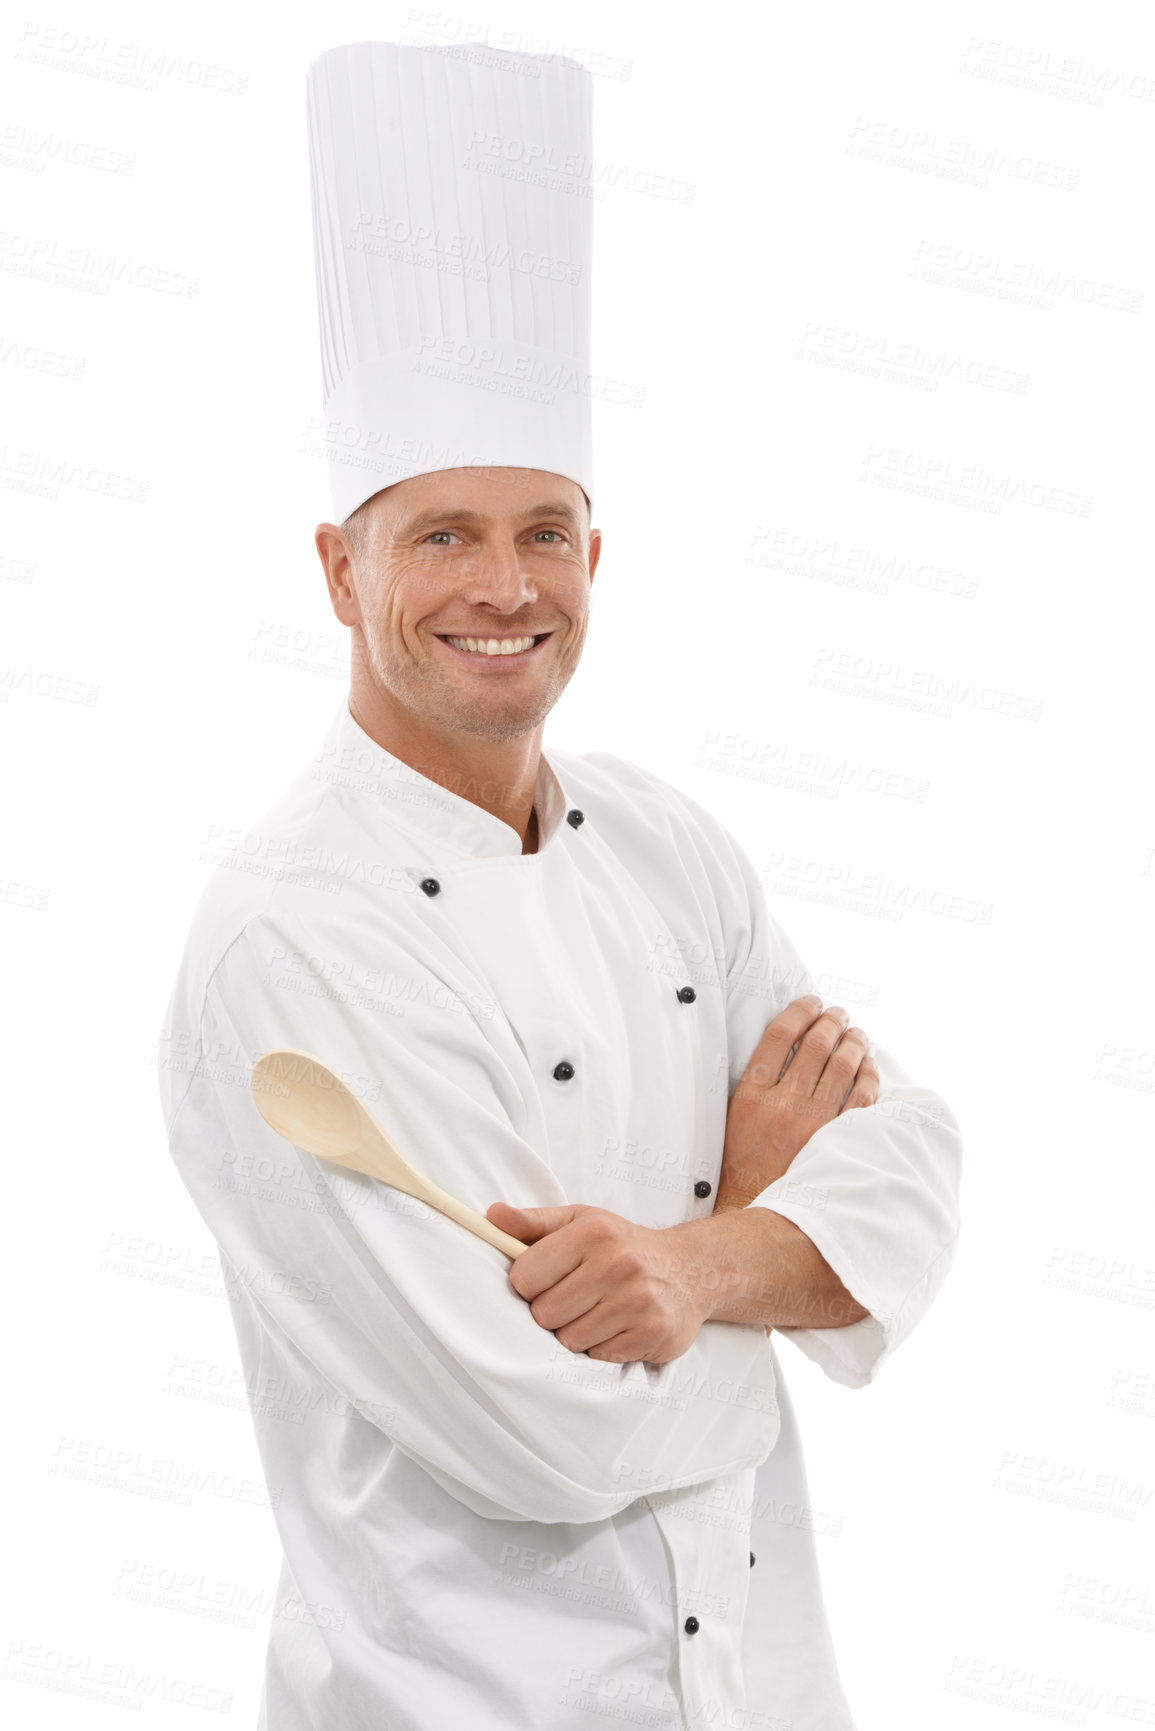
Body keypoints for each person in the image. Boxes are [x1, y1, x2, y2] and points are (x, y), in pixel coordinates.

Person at [157, 41, 961, 1731]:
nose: (502, 586)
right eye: (440, 533)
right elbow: (540, 1432)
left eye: (543, 528)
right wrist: (776, 1242)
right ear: (338, 567)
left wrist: (702, 1264)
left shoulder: (677, 853)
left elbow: (919, 1171)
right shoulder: (291, 940)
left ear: (596, 554)